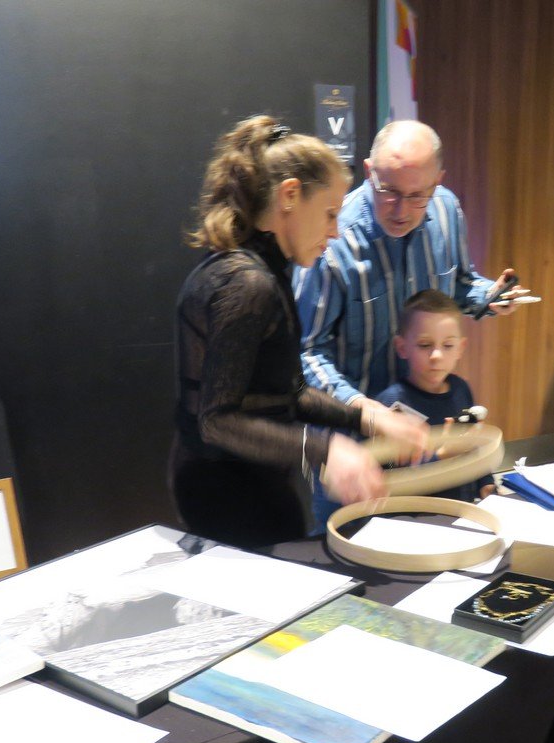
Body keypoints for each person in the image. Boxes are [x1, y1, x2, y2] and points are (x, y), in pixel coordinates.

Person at [170, 115, 428, 548]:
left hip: (246, 480)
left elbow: (285, 393)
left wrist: (366, 416)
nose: (335, 231)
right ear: (290, 195)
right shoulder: (247, 283)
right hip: (226, 490)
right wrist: (326, 448)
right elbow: (217, 421)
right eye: (330, 213)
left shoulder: (263, 269)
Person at [295, 120, 531, 523]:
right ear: (369, 171)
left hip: (429, 443)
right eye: (388, 191)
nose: (401, 210)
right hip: (356, 450)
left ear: (437, 182)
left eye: (418, 195)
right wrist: (365, 410)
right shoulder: (333, 238)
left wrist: (489, 297)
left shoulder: (447, 211)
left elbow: (459, 285)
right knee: (354, 550)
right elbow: (306, 350)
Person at [374, 290, 496, 501]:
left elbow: (473, 445)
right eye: (425, 345)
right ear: (402, 347)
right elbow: (390, 476)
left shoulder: (461, 389)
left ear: (460, 348)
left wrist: (486, 483)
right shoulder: (392, 404)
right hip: (414, 514)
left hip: (462, 508)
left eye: (448, 346)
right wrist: (442, 455)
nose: (437, 355)